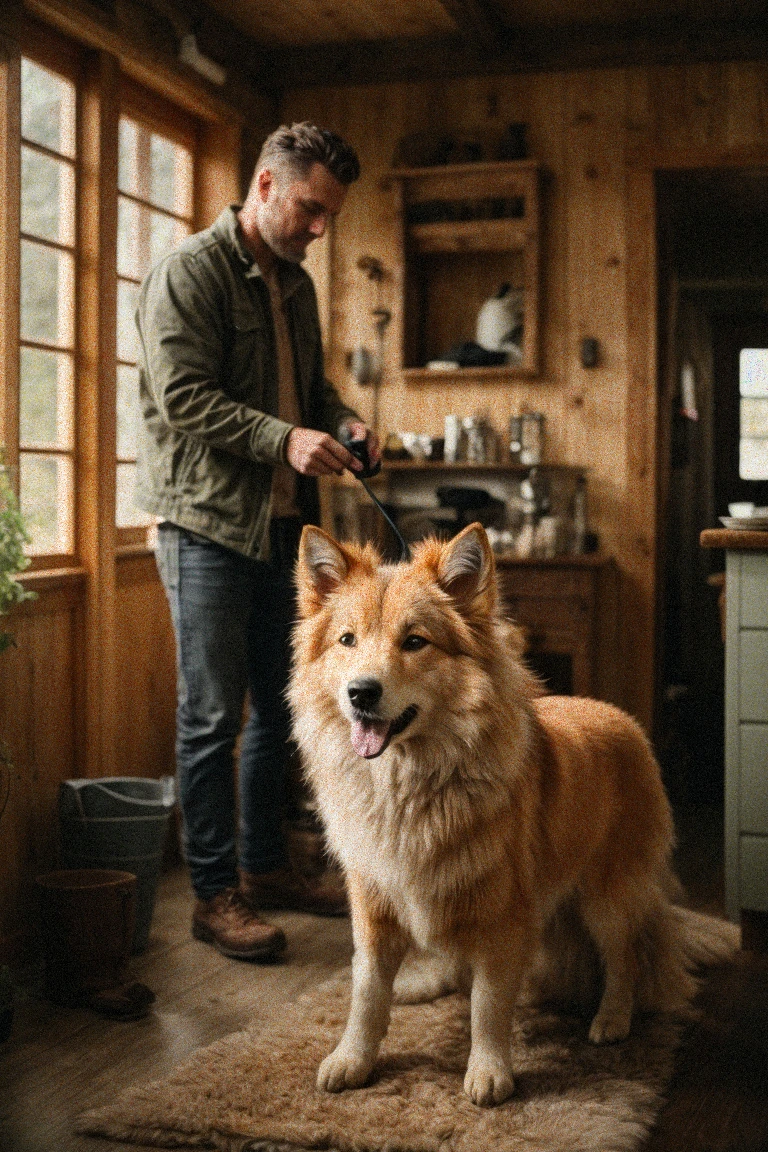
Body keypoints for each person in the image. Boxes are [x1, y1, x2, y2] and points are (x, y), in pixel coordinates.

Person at [135, 122, 379, 961]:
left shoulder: (298, 288)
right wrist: (285, 440)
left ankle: (268, 869)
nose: (320, 229)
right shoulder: (188, 273)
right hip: (204, 527)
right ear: (267, 185)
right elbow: (181, 398)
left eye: (329, 216)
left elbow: (308, 389)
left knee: (285, 707)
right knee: (210, 718)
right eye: (311, 208)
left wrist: (342, 421)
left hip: (285, 527)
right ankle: (214, 895)